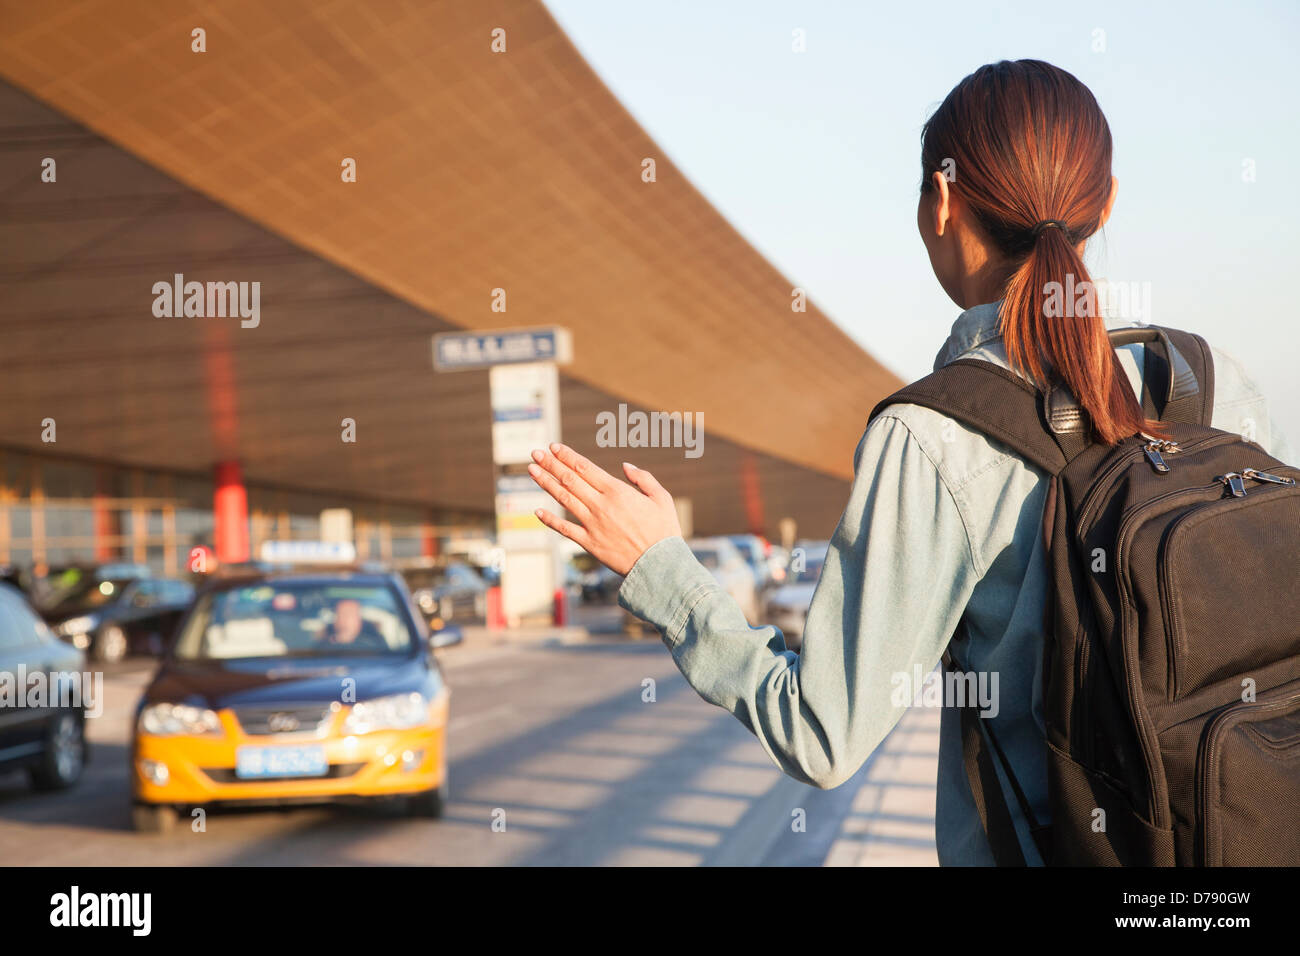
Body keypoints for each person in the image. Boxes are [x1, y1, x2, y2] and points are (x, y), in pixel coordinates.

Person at [525, 59, 1289, 866]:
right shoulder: (1215, 383)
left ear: (943, 202)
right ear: (1107, 204)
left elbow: (823, 732)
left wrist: (662, 570)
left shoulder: (933, 435)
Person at [316, 598, 387, 651]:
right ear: (335, 621)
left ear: (359, 621)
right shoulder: (322, 648)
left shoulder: (375, 646)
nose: (345, 620)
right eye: (342, 615)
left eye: (350, 615)